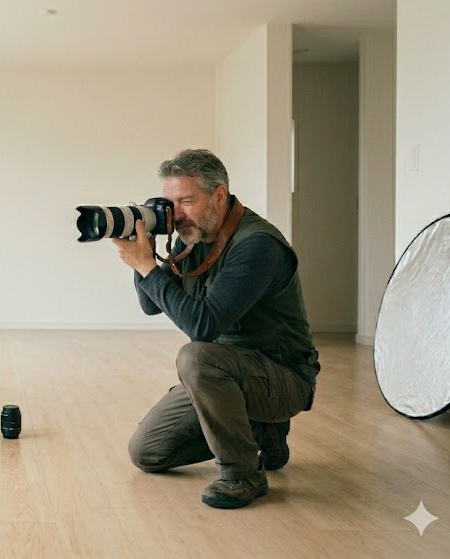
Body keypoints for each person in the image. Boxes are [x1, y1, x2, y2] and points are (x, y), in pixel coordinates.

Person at [113, 148, 319, 509]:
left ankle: (242, 474)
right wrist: (142, 253)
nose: (175, 214)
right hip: (225, 374)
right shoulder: (192, 237)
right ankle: (260, 431)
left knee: (195, 357)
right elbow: (150, 304)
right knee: (147, 453)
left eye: (186, 201)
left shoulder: (257, 246)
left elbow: (202, 327)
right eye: (169, 203)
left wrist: (146, 267)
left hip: (282, 378)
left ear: (219, 195)